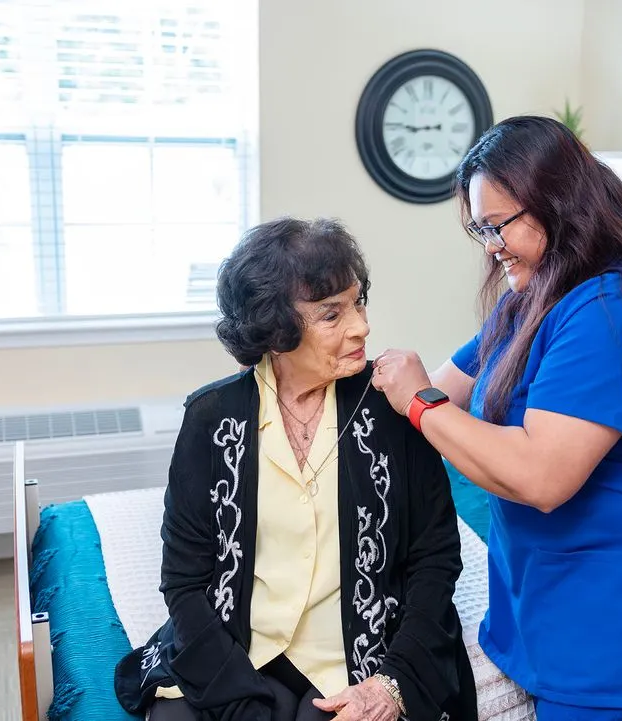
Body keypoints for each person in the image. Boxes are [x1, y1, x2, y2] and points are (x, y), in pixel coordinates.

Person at [371, 116, 622, 721]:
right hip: (543, 608)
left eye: (497, 224)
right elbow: (445, 390)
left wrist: (418, 402)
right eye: (479, 229)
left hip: (619, 628)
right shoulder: (532, 298)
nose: (490, 245)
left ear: (559, 204)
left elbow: (541, 475)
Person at [114, 217, 478, 721]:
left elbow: (434, 561)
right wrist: (238, 699)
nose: (362, 326)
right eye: (332, 315)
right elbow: (184, 579)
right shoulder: (211, 419)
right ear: (277, 329)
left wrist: (392, 684)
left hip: (356, 657)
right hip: (238, 645)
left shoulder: (392, 411)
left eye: (359, 302)